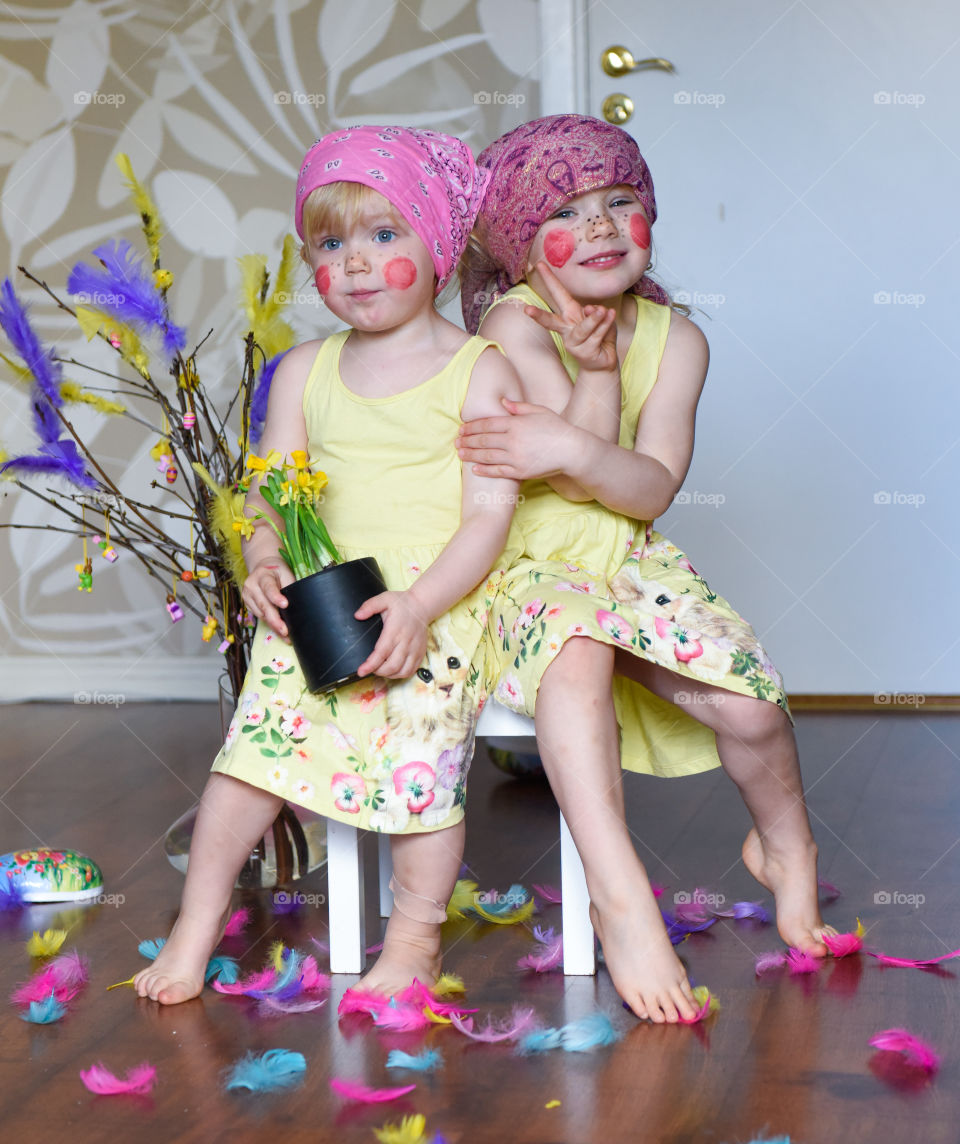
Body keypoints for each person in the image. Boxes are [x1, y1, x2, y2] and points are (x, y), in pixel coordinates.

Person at [457, 114, 834, 1024]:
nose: (597, 226)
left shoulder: (679, 341)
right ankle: (620, 895)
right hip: (522, 564)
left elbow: (645, 490)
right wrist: (584, 407)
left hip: (626, 558)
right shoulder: (513, 323)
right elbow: (563, 468)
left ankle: (788, 848)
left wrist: (572, 440)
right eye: (567, 212)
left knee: (746, 705)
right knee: (577, 650)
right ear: (521, 245)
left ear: (647, 218)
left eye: (618, 202)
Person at [134, 125, 521, 1005]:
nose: (354, 262)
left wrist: (420, 604)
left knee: (419, 744)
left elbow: (490, 517)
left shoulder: (478, 370)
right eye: (331, 242)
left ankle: (414, 940)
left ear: (438, 243)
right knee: (252, 751)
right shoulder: (305, 370)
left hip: (436, 597)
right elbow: (267, 492)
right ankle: (195, 932)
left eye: (385, 235)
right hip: (325, 598)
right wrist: (261, 556)